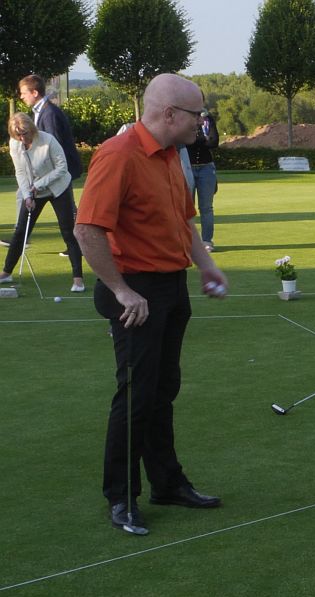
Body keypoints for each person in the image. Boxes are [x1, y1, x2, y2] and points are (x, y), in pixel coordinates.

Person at [74, 73, 230, 535]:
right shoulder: (118, 154)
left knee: (163, 390)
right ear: (170, 114)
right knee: (136, 395)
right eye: (197, 114)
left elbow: (183, 221)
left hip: (170, 288)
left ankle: (167, 483)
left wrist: (206, 266)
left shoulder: (171, 156)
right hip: (135, 292)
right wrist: (122, 290)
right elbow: (87, 229)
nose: (202, 122)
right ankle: (121, 497)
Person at [0, 113, 85, 291]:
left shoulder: (48, 141)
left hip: (59, 188)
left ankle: (78, 279)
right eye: (18, 135)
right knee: (21, 231)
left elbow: (62, 168)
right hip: (33, 192)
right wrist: (27, 196)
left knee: (68, 231)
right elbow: (20, 172)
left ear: (31, 129)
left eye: (24, 133)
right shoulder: (15, 144)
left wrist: (38, 185)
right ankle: (6, 273)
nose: (22, 138)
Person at [18, 74, 84, 258]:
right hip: (56, 171)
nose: (21, 96)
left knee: (68, 211)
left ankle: (77, 246)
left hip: (61, 171)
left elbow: (55, 146)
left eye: (24, 93)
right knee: (68, 210)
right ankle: (21, 237)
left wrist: (50, 173)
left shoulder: (50, 113)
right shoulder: (41, 111)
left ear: (35, 93)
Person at [187, 107, 220, 251]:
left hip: (206, 168)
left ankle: (207, 241)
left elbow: (214, 142)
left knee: (206, 207)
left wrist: (199, 140)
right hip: (188, 167)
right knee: (187, 208)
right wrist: (203, 140)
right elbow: (186, 141)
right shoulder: (186, 117)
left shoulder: (208, 118)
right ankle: (189, 242)